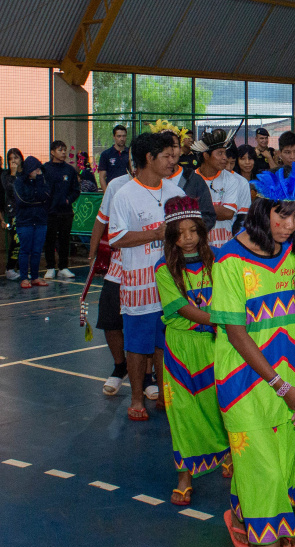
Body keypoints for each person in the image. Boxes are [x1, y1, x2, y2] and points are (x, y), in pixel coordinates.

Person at [212, 159, 295, 547]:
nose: (289, 224)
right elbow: (236, 332)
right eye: (281, 214)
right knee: (259, 460)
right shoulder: (229, 259)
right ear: (263, 210)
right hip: (246, 381)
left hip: (291, 377)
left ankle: (247, 513)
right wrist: (279, 385)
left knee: (274, 455)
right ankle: (267, 539)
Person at [154, 195, 230, 506]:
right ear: (171, 237)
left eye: (193, 231)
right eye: (180, 233)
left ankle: (228, 454)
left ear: (202, 231)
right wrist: (225, 320)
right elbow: (184, 309)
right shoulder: (163, 269)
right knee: (183, 414)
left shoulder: (218, 263)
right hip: (183, 351)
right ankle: (185, 475)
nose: (187, 238)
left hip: (217, 348)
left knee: (220, 406)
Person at [108, 132, 185, 421]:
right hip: (139, 284)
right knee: (137, 345)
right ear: (148, 158)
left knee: (165, 342)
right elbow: (116, 237)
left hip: (171, 281)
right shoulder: (125, 194)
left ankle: (166, 394)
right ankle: (137, 397)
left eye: (173, 154)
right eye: (166, 155)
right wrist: (155, 233)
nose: (172, 160)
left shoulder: (175, 193)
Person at [93, 166, 133, 397]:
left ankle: (148, 377)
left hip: (149, 268)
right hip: (117, 266)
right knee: (109, 318)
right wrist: (94, 254)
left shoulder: (167, 187)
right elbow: (101, 220)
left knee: (146, 324)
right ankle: (120, 366)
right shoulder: (117, 185)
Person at [190, 129, 240, 248]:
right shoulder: (190, 180)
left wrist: (197, 206)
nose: (225, 158)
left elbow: (228, 213)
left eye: (225, 153)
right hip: (198, 246)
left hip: (223, 246)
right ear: (206, 155)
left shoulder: (231, 179)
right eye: (220, 153)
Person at [41, 141, 80, 279]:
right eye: (60, 150)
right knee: (50, 240)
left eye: (65, 150)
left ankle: (63, 267)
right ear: (52, 152)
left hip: (66, 212)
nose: (63, 152)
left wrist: (68, 199)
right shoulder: (45, 169)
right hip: (50, 212)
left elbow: (76, 190)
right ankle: (50, 267)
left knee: (64, 240)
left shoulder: (69, 170)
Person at [13, 157, 51, 289]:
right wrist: (38, 200)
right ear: (29, 170)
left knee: (37, 251)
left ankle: (35, 276)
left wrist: (39, 182)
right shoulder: (19, 182)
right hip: (25, 221)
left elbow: (45, 196)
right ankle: (24, 277)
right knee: (25, 250)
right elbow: (22, 200)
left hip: (40, 220)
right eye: (35, 169)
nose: (38, 171)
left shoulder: (42, 180)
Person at [2, 148, 23, 280]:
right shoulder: (6, 175)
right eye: (10, 158)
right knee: (16, 240)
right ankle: (10, 267)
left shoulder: (25, 174)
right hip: (12, 212)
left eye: (16, 157)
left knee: (24, 241)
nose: (13, 161)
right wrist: (14, 174)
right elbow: (11, 190)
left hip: (25, 212)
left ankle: (22, 268)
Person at [98, 124, 129, 190]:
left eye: (124, 136)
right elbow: (102, 177)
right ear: (114, 137)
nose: (122, 139)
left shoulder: (130, 153)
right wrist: (106, 194)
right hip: (113, 191)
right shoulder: (106, 154)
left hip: (127, 190)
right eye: (119, 136)